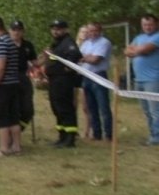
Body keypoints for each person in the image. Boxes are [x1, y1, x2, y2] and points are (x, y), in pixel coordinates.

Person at [0, 16, 23, 157]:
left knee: (1, 116)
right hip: (13, 83)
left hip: (3, 85)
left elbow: (0, 66)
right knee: (14, 116)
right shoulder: (11, 42)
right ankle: (16, 147)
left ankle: (4, 148)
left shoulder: (0, 43)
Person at [42, 19, 81, 148]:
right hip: (54, 80)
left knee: (65, 108)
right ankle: (62, 136)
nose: (55, 31)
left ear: (66, 30)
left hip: (63, 81)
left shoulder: (68, 42)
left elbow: (75, 55)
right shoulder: (57, 44)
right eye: (53, 28)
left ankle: (70, 139)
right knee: (56, 108)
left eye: (58, 28)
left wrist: (66, 70)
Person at [124, 13, 159, 145]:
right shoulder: (139, 37)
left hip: (153, 79)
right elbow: (127, 52)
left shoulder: (157, 37)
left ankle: (157, 137)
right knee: (146, 110)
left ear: (156, 24)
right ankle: (153, 134)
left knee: (155, 110)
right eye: (145, 25)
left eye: (150, 24)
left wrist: (136, 50)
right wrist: (138, 50)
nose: (147, 27)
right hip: (139, 79)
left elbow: (146, 49)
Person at [79, 22, 113, 141]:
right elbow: (78, 57)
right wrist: (85, 57)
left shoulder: (104, 42)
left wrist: (85, 57)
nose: (93, 33)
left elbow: (96, 59)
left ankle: (108, 134)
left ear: (100, 30)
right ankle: (96, 133)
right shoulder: (86, 43)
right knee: (91, 107)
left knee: (103, 106)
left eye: (95, 31)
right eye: (90, 31)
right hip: (86, 76)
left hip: (98, 76)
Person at [8, 20, 38, 133]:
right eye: (14, 30)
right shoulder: (5, 45)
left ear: (23, 31)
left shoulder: (28, 45)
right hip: (9, 78)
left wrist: (45, 57)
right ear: (9, 31)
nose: (16, 33)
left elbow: (35, 62)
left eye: (19, 30)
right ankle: (11, 133)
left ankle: (18, 130)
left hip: (23, 77)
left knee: (28, 109)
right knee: (13, 108)